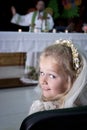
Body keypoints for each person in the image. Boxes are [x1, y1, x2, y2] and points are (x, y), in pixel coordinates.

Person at [29, 39, 87, 115]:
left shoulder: (41, 109)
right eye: (42, 72)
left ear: (72, 79)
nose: (43, 80)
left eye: (52, 76)